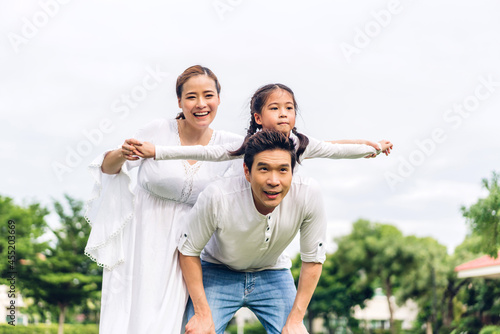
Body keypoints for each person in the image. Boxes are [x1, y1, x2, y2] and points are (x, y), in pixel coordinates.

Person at [84, 65, 244, 334]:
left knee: (176, 321)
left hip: (190, 248)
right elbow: (108, 168)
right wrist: (122, 153)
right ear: (180, 101)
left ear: (219, 98)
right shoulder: (158, 129)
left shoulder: (231, 144)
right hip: (142, 239)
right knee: (132, 314)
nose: (201, 104)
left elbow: (275, 152)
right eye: (191, 96)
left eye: (208, 95)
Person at [178, 129, 327, 334]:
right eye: (264, 169)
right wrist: (202, 314)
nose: (274, 181)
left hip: (273, 272)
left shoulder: (308, 194)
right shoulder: (218, 196)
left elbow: (313, 259)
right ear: (247, 171)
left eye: (283, 170)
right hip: (218, 270)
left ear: (293, 172)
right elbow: (188, 250)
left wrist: (296, 320)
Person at [130, 83, 393, 165]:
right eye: (275, 108)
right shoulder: (248, 146)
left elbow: (333, 148)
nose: (283, 114)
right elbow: (205, 152)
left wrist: (372, 146)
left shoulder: (298, 144)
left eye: (289, 108)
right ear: (258, 118)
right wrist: (158, 151)